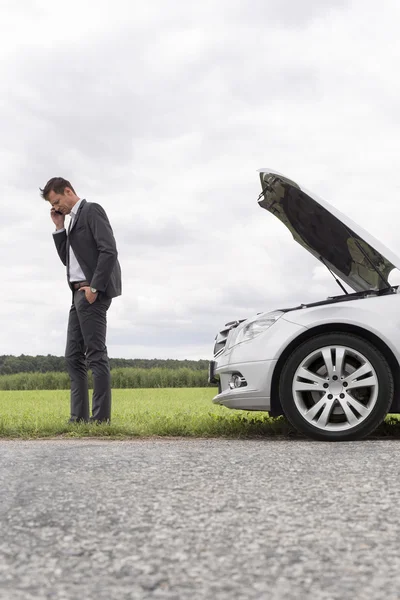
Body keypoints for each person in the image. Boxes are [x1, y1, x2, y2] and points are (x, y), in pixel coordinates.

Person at [40, 177, 122, 424]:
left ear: (68, 191)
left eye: (57, 201)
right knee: (73, 356)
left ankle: (101, 420)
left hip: (91, 292)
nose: (57, 207)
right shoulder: (71, 220)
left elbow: (109, 250)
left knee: (96, 354)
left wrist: (94, 287)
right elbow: (69, 260)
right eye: (52, 205)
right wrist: (58, 227)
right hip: (77, 294)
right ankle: (78, 418)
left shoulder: (91, 211)